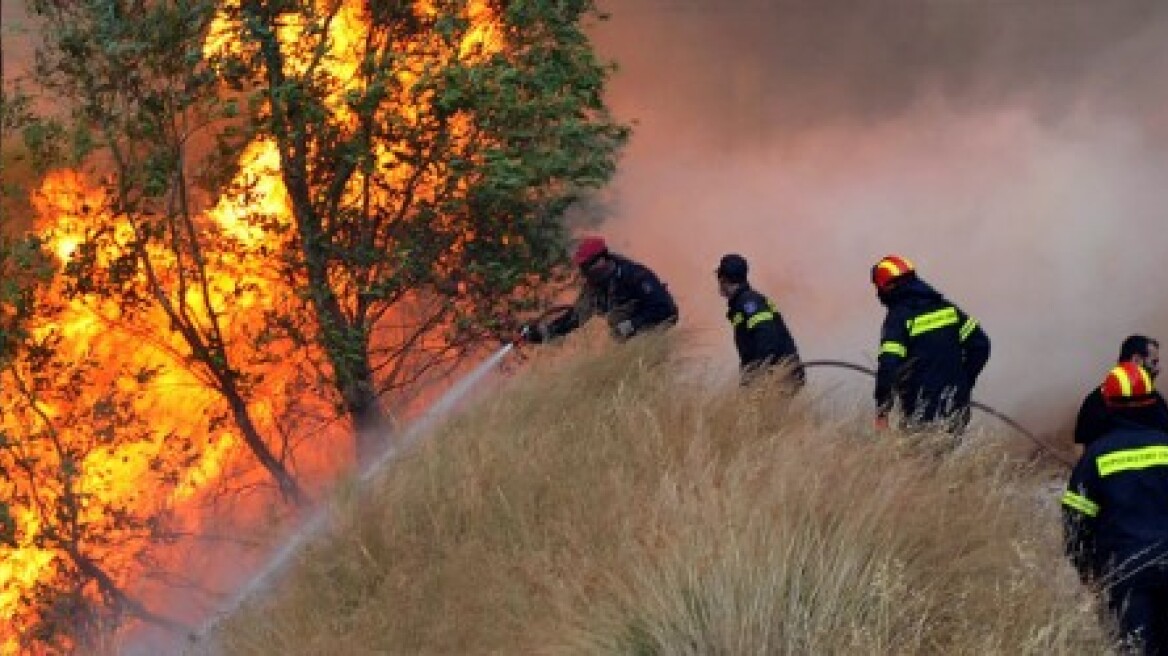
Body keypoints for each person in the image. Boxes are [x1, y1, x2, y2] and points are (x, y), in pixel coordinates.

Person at [1063, 362, 1168, 655]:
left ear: (1107, 405)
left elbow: (1075, 523)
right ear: (1152, 401)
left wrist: (1087, 573)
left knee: (1134, 648)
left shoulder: (1096, 457)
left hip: (1124, 572)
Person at [870, 254, 990, 432]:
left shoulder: (899, 318)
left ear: (889, 287)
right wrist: (963, 383)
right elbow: (981, 346)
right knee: (947, 456)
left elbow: (889, 365)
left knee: (918, 458)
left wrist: (882, 410)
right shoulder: (947, 309)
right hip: (956, 405)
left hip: (920, 409)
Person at [521, 236, 678, 343]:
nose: (585, 271)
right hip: (627, 338)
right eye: (582, 267)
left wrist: (633, 324)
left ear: (603, 259)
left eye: (588, 266)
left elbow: (664, 308)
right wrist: (544, 333)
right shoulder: (594, 287)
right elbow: (576, 317)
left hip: (657, 331)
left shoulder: (636, 276)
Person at [715, 253, 804, 387]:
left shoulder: (749, 302)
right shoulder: (745, 301)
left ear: (723, 279)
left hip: (779, 375)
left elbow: (767, 334)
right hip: (776, 373)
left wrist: (758, 373)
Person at [1074, 335, 1168, 449]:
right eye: (1154, 362)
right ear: (1136, 360)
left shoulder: (1093, 401)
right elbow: (1082, 449)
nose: (1158, 369)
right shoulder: (1094, 403)